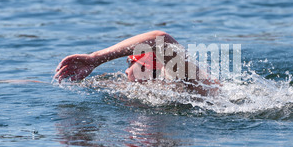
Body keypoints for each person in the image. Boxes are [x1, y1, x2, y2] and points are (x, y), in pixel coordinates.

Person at [54, 30, 220, 95]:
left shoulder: (194, 83)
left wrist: (95, 58)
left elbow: (161, 39)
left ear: (149, 65)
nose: (126, 71)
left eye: (130, 63)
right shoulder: (148, 89)